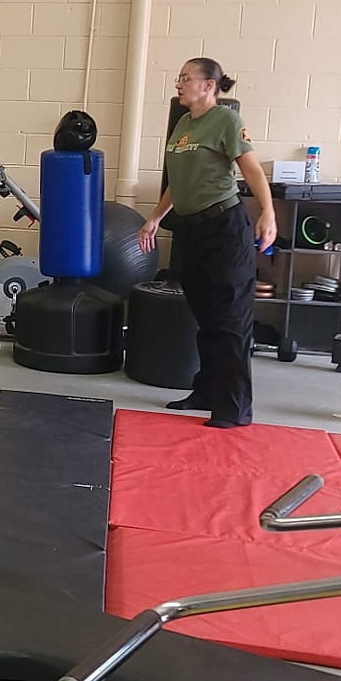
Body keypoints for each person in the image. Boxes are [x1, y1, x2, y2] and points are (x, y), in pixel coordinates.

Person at [137, 58, 277, 429]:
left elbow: (251, 168)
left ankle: (234, 408)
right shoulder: (184, 123)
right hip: (192, 231)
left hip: (224, 228)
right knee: (206, 318)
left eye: (186, 78)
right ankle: (206, 391)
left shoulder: (226, 121)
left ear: (209, 85)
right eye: (179, 77)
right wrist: (155, 217)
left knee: (229, 320)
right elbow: (179, 181)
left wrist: (268, 213)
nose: (178, 84)